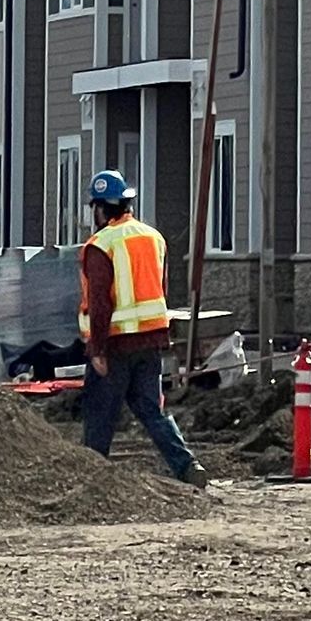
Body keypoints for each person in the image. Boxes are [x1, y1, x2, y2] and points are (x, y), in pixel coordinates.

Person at [76, 170, 207, 487]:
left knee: (99, 413)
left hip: (116, 344)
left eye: (94, 207)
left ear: (102, 208)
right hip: (151, 341)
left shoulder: (101, 245)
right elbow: (161, 289)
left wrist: (97, 349)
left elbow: (99, 303)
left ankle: (92, 480)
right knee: (151, 410)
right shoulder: (154, 238)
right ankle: (187, 465)